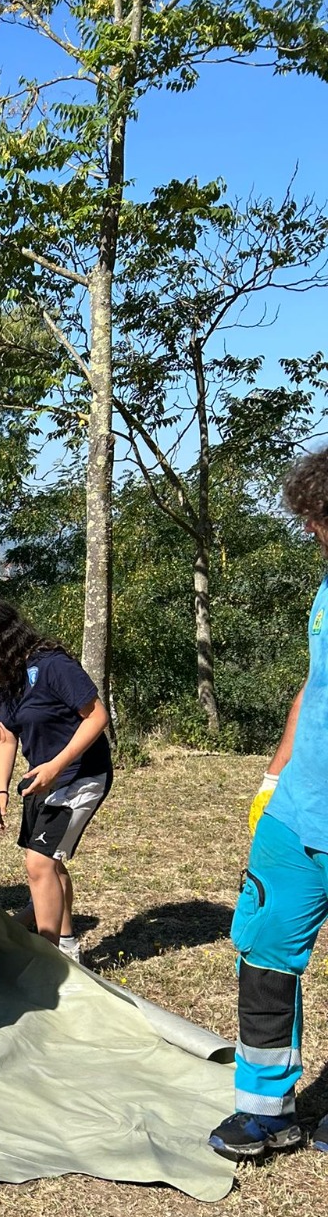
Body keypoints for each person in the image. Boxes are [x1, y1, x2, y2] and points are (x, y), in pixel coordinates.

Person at [209, 449, 328, 1161]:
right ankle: (265, 1111)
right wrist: (272, 779)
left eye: (316, 521)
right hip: (296, 820)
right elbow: (313, 692)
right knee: (263, 957)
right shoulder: (325, 593)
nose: (312, 533)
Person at [0, 598, 112, 963]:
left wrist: (56, 765)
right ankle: (67, 948)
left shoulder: (52, 666)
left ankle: (49, 962)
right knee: (48, 862)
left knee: (38, 865)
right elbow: (6, 738)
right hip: (41, 780)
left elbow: (97, 718)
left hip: (79, 774)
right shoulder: (1, 678)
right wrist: (0, 789)